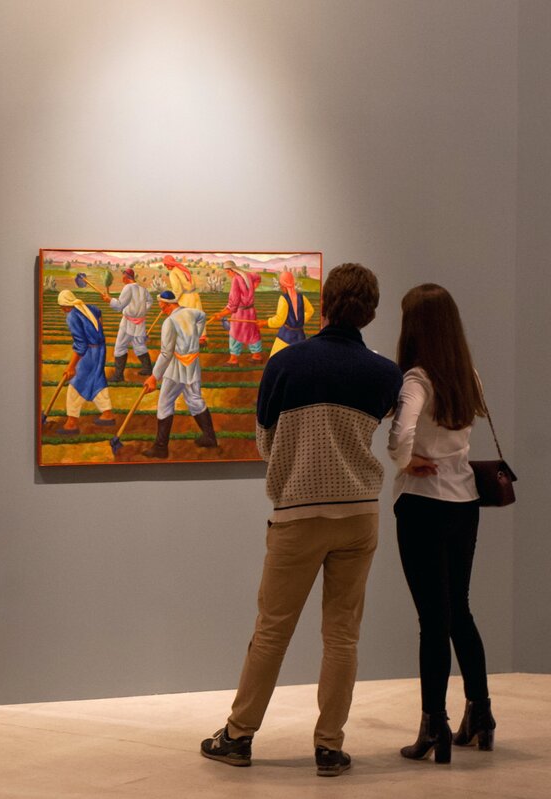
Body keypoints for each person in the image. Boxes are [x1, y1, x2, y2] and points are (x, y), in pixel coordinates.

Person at [200, 263, 402, 777]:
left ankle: (238, 736)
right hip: (360, 514)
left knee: (272, 631)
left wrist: (299, 461)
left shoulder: (286, 364)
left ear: (325, 305)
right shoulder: (385, 374)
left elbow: (265, 442)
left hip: (298, 515)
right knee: (343, 636)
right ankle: (329, 747)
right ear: (370, 312)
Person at [387, 283, 494, 764]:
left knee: (432, 620)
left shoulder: (417, 379)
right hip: (464, 502)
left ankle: (435, 725)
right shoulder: (467, 375)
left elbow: (400, 435)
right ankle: (481, 713)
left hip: (423, 504)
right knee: (460, 611)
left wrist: (404, 460)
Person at [141, 290, 216, 458]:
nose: (160, 308)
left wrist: (154, 377)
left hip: (177, 368)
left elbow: (166, 353)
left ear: (167, 304)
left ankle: (161, 447)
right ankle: (210, 437)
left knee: (165, 403)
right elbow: (202, 316)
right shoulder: (191, 312)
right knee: (195, 399)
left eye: (161, 305)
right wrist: (197, 335)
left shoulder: (169, 322)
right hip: (192, 364)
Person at [54, 289, 116, 435]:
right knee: (97, 379)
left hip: (89, 352)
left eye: (62, 306)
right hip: (100, 349)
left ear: (65, 305)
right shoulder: (86, 307)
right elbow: (99, 312)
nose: (62, 309)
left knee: (76, 383)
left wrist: (71, 367)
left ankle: (71, 423)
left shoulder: (72, 316)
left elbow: (80, 344)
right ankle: (107, 414)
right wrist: (98, 332)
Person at [100, 268, 152, 381]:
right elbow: (150, 301)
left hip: (128, 322)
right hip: (140, 323)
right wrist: (141, 311)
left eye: (123, 277)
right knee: (139, 345)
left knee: (120, 347)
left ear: (127, 277)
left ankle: (118, 376)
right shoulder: (142, 289)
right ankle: (148, 369)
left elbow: (119, 306)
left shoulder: (128, 288)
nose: (122, 279)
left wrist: (109, 300)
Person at [215, 261, 263, 366]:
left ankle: (233, 360)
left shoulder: (236, 280)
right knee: (253, 332)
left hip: (240, 312)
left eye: (228, 272)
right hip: (251, 311)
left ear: (232, 270)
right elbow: (258, 277)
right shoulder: (248, 275)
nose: (228, 274)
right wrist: (252, 289)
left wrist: (220, 314)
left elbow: (233, 304)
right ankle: (257, 356)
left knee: (235, 333)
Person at [264, 270, 314, 358]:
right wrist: (300, 321)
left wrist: (265, 322)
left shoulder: (283, 299)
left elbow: (279, 320)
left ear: (283, 285)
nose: (280, 286)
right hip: (300, 337)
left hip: (285, 337)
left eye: (280, 283)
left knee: (274, 359)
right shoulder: (302, 297)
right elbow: (311, 311)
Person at [163, 254, 207, 345]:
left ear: (170, 263)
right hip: (194, 296)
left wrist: (171, 300)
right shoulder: (183, 269)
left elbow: (177, 290)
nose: (166, 266)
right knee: (198, 317)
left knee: (185, 318)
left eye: (166, 264)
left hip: (185, 298)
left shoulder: (173, 273)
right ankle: (201, 339)